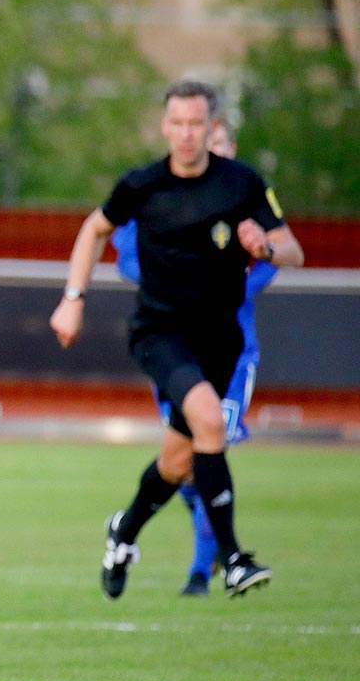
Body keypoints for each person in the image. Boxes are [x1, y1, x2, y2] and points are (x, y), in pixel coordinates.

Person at [51, 79, 303, 600]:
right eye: (178, 124)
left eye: (197, 124)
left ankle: (124, 532)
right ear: (165, 126)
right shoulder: (142, 186)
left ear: (211, 127)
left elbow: (292, 249)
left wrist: (267, 246)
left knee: (178, 460)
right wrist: (73, 298)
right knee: (211, 420)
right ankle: (232, 559)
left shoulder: (242, 184)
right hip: (160, 334)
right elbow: (93, 229)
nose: (187, 134)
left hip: (220, 341)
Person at [109, 118, 276, 596]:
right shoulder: (157, 197)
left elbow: (279, 253)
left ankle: (208, 568)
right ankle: (130, 530)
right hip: (175, 346)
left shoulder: (244, 194)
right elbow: (123, 251)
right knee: (181, 462)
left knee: (208, 439)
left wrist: (245, 264)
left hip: (229, 351)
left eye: (214, 142)